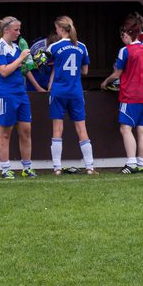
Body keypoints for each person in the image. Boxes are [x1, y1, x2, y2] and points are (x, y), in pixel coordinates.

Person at [46, 15, 96, 175]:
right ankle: (90, 167)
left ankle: (57, 168)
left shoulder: (53, 47)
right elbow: (85, 71)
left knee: (57, 129)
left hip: (59, 92)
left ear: (60, 29)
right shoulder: (82, 46)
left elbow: (38, 63)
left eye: (56, 28)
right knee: (82, 128)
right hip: (75, 92)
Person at [104, 19, 143, 173]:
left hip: (131, 95)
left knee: (125, 128)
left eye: (123, 34)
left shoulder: (125, 50)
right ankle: (141, 164)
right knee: (142, 130)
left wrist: (105, 82)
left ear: (127, 35)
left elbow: (117, 73)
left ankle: (131, 163)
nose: (122, 37)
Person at [0, 16, 36, 179]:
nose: (19, 33)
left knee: (26, 130)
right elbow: (3, 71)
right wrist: (20, 59)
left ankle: (27, 167)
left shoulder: (16, 47)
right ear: (6, 30)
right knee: (5, 131)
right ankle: (5, 168)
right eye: (16, 30)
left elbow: (22, 68)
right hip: (5, 94)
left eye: (19, 29)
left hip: (20, 93)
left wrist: (34, 61)